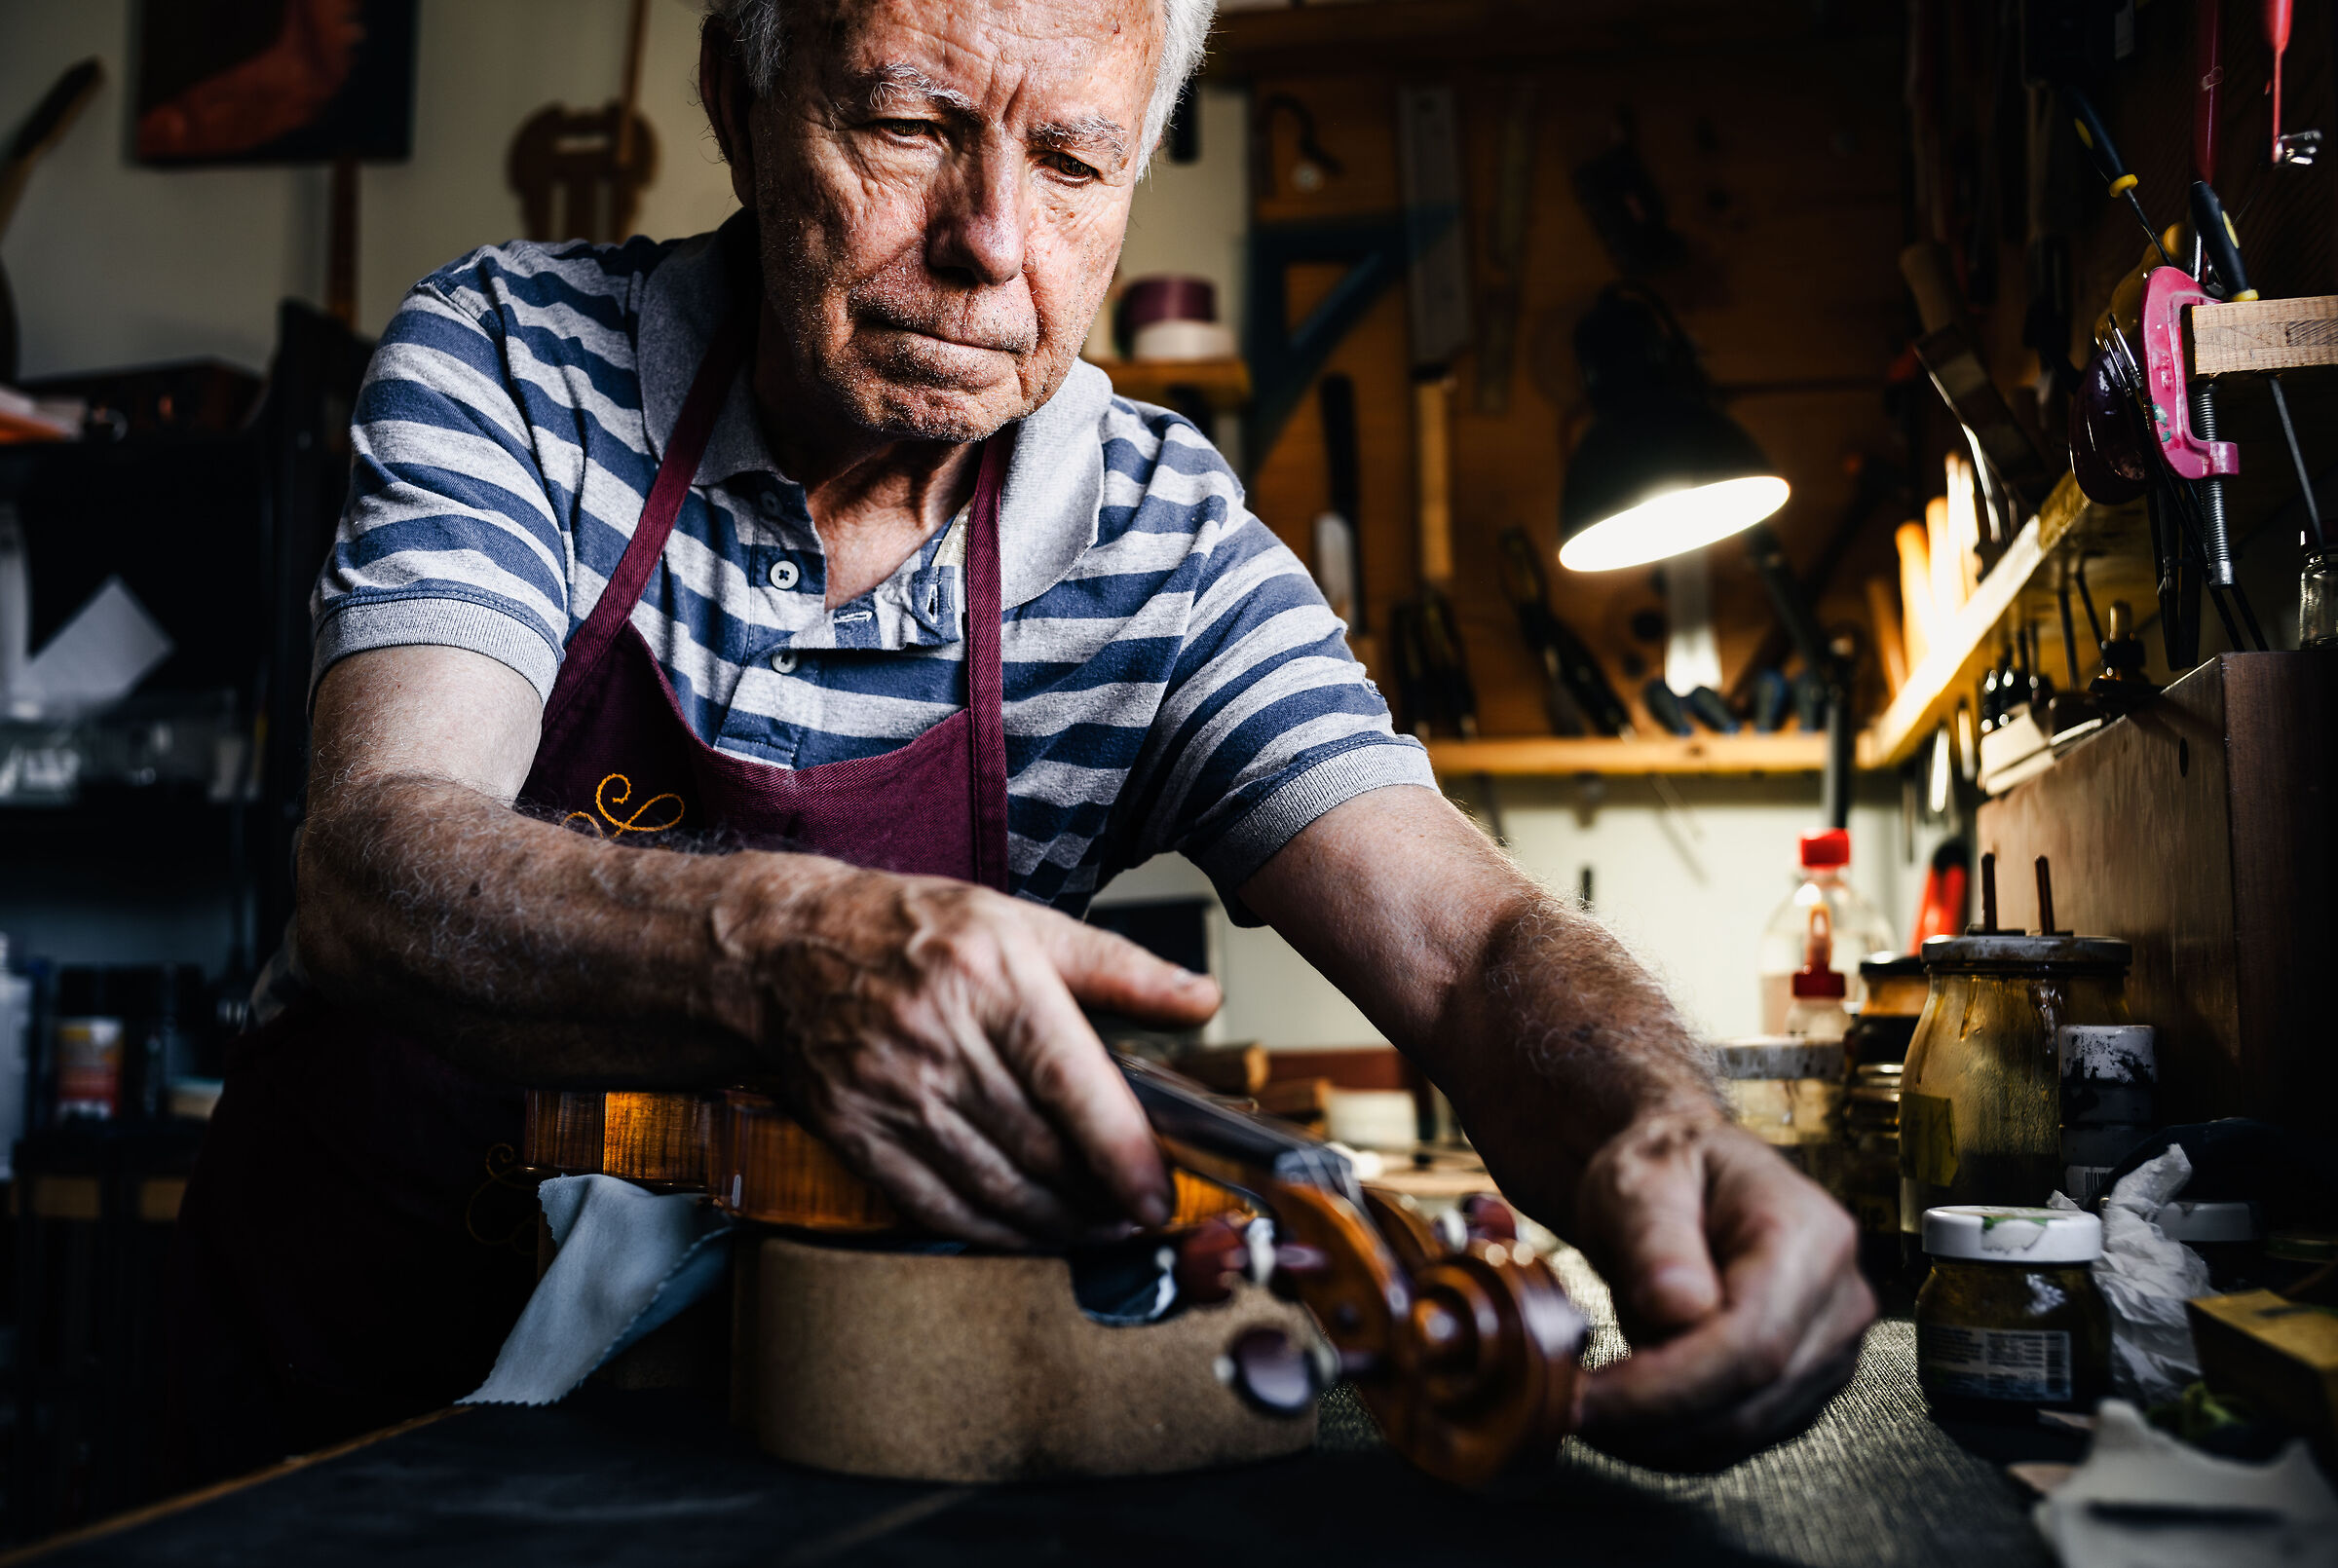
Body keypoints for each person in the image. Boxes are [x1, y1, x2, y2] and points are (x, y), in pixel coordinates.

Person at [171, 0, 1871, 1480]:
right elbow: (378, 852)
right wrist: (791, 947)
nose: (991, 242)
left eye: (1073, 161)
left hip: (794, 1445)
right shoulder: (515, 362)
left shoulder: (1163, 544)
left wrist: (1663, 1125)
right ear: (739, 105)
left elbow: (1474, 945)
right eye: (912, 125)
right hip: (331, 1405)